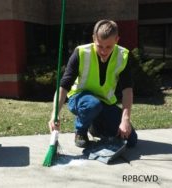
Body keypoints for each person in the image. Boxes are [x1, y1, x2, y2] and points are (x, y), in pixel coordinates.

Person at [48, 19, 138, 148]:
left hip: (105, 102)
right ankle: (81, 131)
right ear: (93, 38)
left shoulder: (123, 55)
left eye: (109, 47)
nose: (104, 51)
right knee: (92, 105)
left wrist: (125, 120)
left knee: (130, 140)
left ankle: (95, 127)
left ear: (117, 40)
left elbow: (127, 90)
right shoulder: (81, 52)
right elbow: (63, 87)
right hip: (80, 99)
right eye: (99, 46)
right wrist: (54, 114)